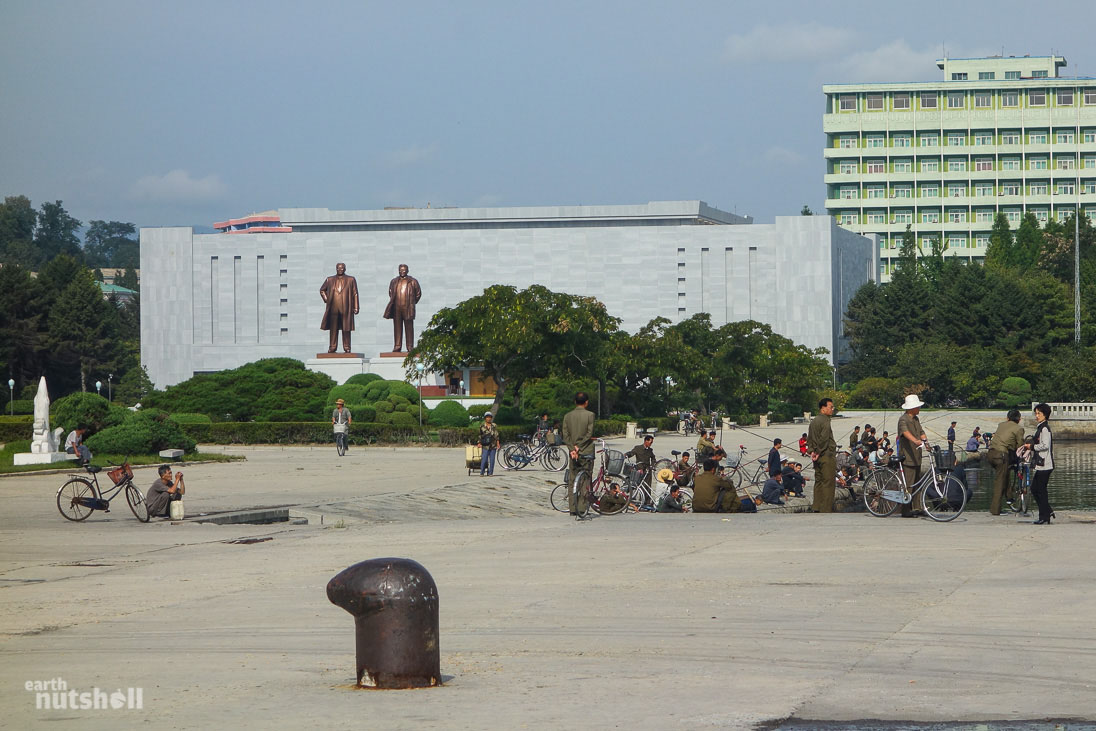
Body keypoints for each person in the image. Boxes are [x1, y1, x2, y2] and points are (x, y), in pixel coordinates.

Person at [562, 391, 595, 517]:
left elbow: (565, 435)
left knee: (572, 479)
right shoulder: (590, 415)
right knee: (585, 480)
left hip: (572, 454)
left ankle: (572, 508)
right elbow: (589, 433)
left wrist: (572, 449)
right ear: (586, 402)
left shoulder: (567, 416)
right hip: (585, 451)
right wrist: (579, 448)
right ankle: (581, 507)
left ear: (575, 402)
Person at [986, 409, 1025, 515]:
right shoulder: (1019, 429)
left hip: (990, 454)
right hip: (1001, 456)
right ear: (1019, 419)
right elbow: (1020, 445)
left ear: (1007, 418)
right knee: (1000, 482)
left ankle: (1009, 497)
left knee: (1004, 474)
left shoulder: (1001, 424)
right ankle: (995, 510)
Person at [897, 394, 928, 518]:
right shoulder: (903, 419)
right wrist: (915, 441)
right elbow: (905, 432)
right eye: (917, 407)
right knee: (908, 484)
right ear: (911, 408)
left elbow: (921, 432)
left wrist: (926, 442)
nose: (919, 409)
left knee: (917, 483)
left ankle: (917, 507)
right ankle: (905, 509)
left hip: (917, 456)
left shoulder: (915, 419)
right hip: (908, 457)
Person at [318, 263, 360, 353]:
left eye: (342, 268)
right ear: (336, 269)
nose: (340, 270)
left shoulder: (351, 279)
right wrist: (327, 299)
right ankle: (332, 346)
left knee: (346, 328)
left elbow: (355, 293)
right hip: (333, 308)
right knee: (333, 329)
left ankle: (347, 346)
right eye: (338, 268)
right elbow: (322, 290)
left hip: (346, 308)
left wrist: (356, 307)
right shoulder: (330, 279)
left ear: (345, 269)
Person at [383, 263, 422, 352]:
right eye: (400, 270)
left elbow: (418, 294)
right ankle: (397, 345)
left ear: (407, 271)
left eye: (404, 270)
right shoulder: (394, 281)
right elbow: (390, 292)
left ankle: (410, 346)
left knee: (409, 327)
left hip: (408, 307)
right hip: (397, 308)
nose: (402, 272)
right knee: (397, 327)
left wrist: (412, 303)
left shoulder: (412, 281)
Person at [807, 397, 837, 512]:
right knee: (828, 483)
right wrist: (819, 452)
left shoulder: (814, 421)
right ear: (823, 408)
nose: (832, 409)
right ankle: (825, 509)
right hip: (825, 456)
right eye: (830, 407)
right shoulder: (825, 420)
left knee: (818, 481)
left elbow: (809, 439)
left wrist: (812, 452)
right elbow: (824, 439)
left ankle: (816, 506)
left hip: (816, 456)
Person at [1027, 403, 1055, 525]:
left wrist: (1032, 446)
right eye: (1036, 413)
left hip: (1045, 464)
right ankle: (1047, 511)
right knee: (1035, 489)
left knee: (1040, 490)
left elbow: (1045, 445)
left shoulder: (1044, 428)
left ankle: (1044, 516)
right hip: (1040, 464)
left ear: (1045, 415)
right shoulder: (1040, 427)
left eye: (1039, 413)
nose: (1036, 416)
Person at [478, 412, 500, 476]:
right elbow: (480, 435)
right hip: (485, 445)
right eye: (487, 417)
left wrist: (498, 443)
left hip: (493, 445)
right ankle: (482, 472)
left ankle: (490, 473)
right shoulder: (482, 426)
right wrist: (479, 443)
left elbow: (497, 435)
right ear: (485, 418)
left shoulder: (494, 425)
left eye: (490, 417)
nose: (488, 418)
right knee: (484, 459)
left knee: (492, 460)